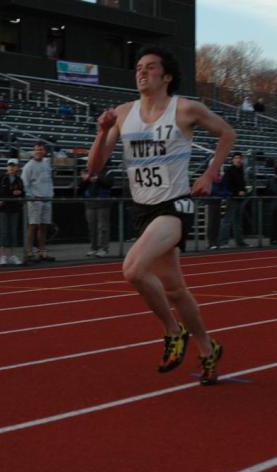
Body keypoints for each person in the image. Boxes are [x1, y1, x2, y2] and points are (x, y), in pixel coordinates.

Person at [87, 46, 235, 385]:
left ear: (166, 76)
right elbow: (94, 169)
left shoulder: (185, 109)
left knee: (133, 269)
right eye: (138, 67)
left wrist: (211, 173)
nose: (141, 72)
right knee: (175, 291)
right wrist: (100, 132)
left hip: (175, 205)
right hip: (144, 209)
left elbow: (228, 133)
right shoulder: (123, 114)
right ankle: (208, 347)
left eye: (150, 67)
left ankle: (172, 331)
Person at [21, 142, 55, 262]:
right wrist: (31, 197)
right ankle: (29, 251)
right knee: (32, 225)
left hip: (46, 198)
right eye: (36, 150)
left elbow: (49, 180)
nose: (38, 152)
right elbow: (25, 183)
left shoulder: (46, 164)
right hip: (35, 199)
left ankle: (42, 251)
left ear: (44, 151)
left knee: (44, 226)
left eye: (40, 149)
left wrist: (51, 194)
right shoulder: (29, 166)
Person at [0, 158, 25, 265]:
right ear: (7, 167)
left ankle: (13, 255)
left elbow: (23, 192)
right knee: (4, 231)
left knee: (13, 232)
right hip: (3, 209)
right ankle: (3, 256)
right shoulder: (1, 178)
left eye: (14, 166)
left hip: (15, 208)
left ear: (17, 167)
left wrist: (20, 193)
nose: (11, 167)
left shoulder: (19, 179)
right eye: (10, 165)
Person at [77, 164, 115, 257]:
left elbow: (109, 184)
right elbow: (80, 188)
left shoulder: (108, 171)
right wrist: (86, 179)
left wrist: (97, 179)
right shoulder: (87, 171)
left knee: (102, 227)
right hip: (90, 203)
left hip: (103, 202)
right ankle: (93, 248)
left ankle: (103, 248)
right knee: (92, 227)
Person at [216, 151, 249, 248]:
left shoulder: (241, 170)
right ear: (232, 160)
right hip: (232, 198)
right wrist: (237, 192)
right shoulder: (229, 170)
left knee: (237, 221)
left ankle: (240, 242)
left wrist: (243, 191)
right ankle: (222, 242)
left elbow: (242, 184)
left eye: (240, 158)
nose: (238, 160)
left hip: (239, 199)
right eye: (236, 158)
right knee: (227, 220)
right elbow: (226, 185)